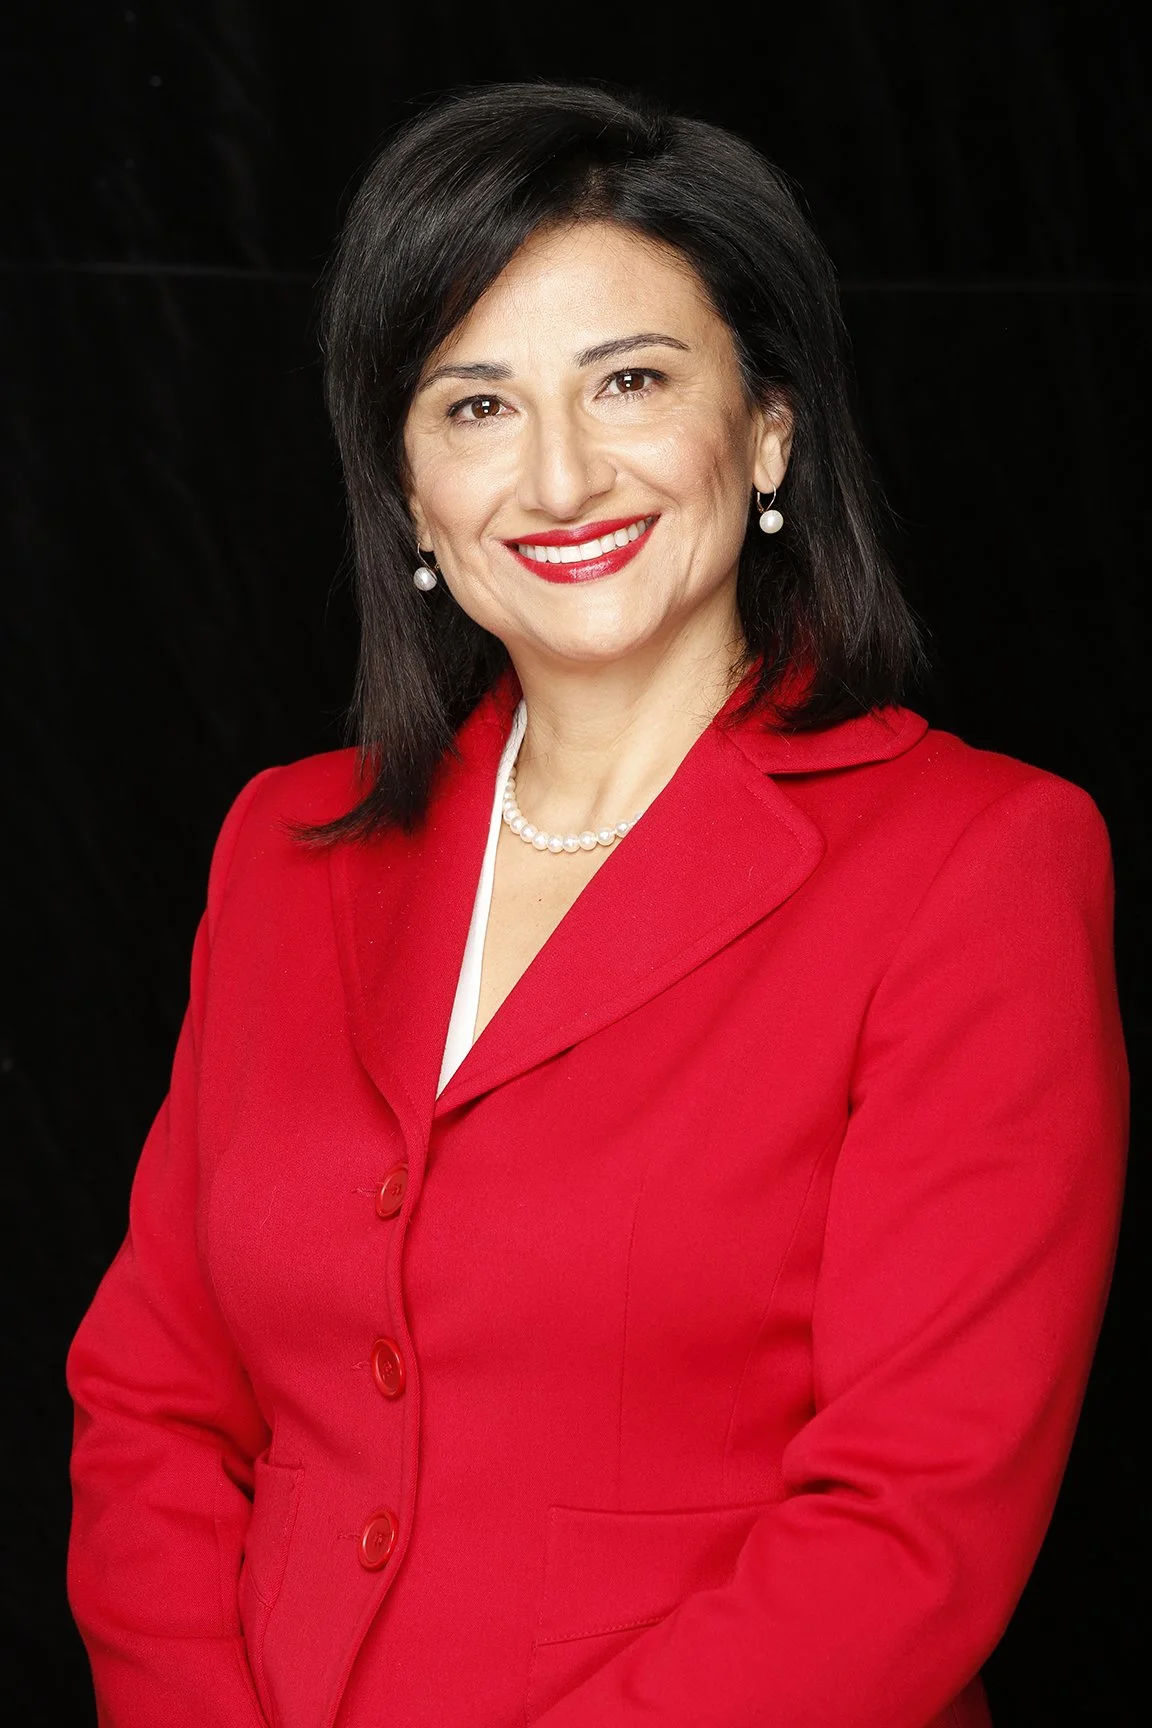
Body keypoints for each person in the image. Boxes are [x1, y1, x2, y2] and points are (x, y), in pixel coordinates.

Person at [65, 80, 1128, 1728]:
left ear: (769, 424)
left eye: (629, 381)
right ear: (409, 489)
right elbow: (152, 1400)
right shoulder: (287, 848)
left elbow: (914, 1527)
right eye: (474, 407)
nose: (559, 478)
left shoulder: (976, 861)